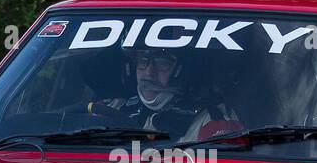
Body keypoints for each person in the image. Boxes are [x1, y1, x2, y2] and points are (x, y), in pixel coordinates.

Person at [89, 49, 237, 142]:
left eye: (162, 63)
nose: (148, 73)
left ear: (183, 71)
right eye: (143, 61)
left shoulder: (213, 119)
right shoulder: (113, 107)